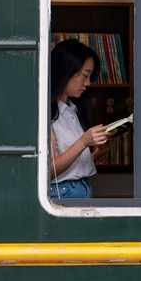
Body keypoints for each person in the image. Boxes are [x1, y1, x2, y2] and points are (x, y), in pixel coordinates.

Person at [49, 39, 109, 199]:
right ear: (66, 71)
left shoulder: (72, 110)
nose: (88, 83)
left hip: (80, 190)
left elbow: (73, 169)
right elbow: (48, 170)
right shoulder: (49, 114)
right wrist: (83, 142)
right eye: (84, 75)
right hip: (62, 194)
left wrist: (95, 154)